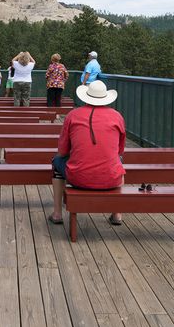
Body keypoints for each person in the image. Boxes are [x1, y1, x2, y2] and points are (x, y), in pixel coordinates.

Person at [49, 80, 126, 226]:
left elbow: (62, 151)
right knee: (118, 163)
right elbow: (120, 151)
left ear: (86, 96)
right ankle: (117, 214)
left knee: (57, 162)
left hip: (78, 177)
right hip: (111, 178)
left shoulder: (73, 115)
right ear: (105, 98)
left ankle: (57, 213)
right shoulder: (117, 116)